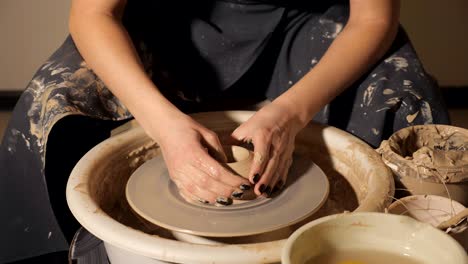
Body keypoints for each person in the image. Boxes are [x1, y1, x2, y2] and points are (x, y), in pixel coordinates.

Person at [0, 0, 450, 262]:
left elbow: (372, 18)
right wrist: (165, 126)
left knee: (405, 101)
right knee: (52, 104)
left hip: (308, 21)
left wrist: (291, 114)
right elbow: (92, 15)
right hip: (167, 21)